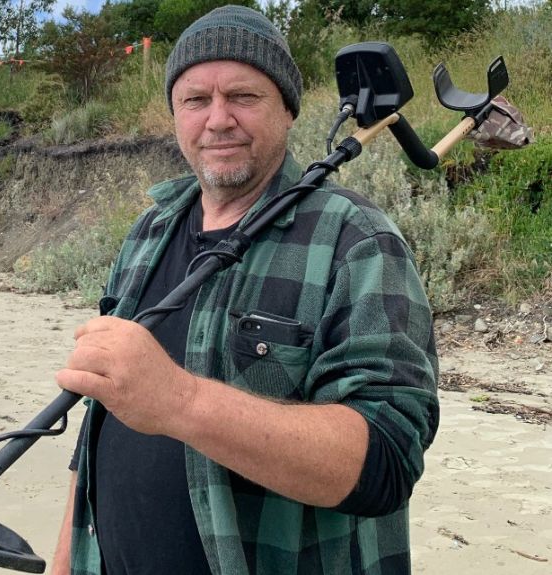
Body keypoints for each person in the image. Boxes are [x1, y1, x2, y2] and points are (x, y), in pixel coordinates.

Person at [52, 5, 440, 574]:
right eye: (195, 100)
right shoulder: (148, 232)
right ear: (175, 115)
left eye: (244, 96)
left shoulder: (354, 239)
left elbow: (386, 460)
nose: (218, 119)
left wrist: (180, 402)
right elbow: (100, 426)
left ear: (286, 110)